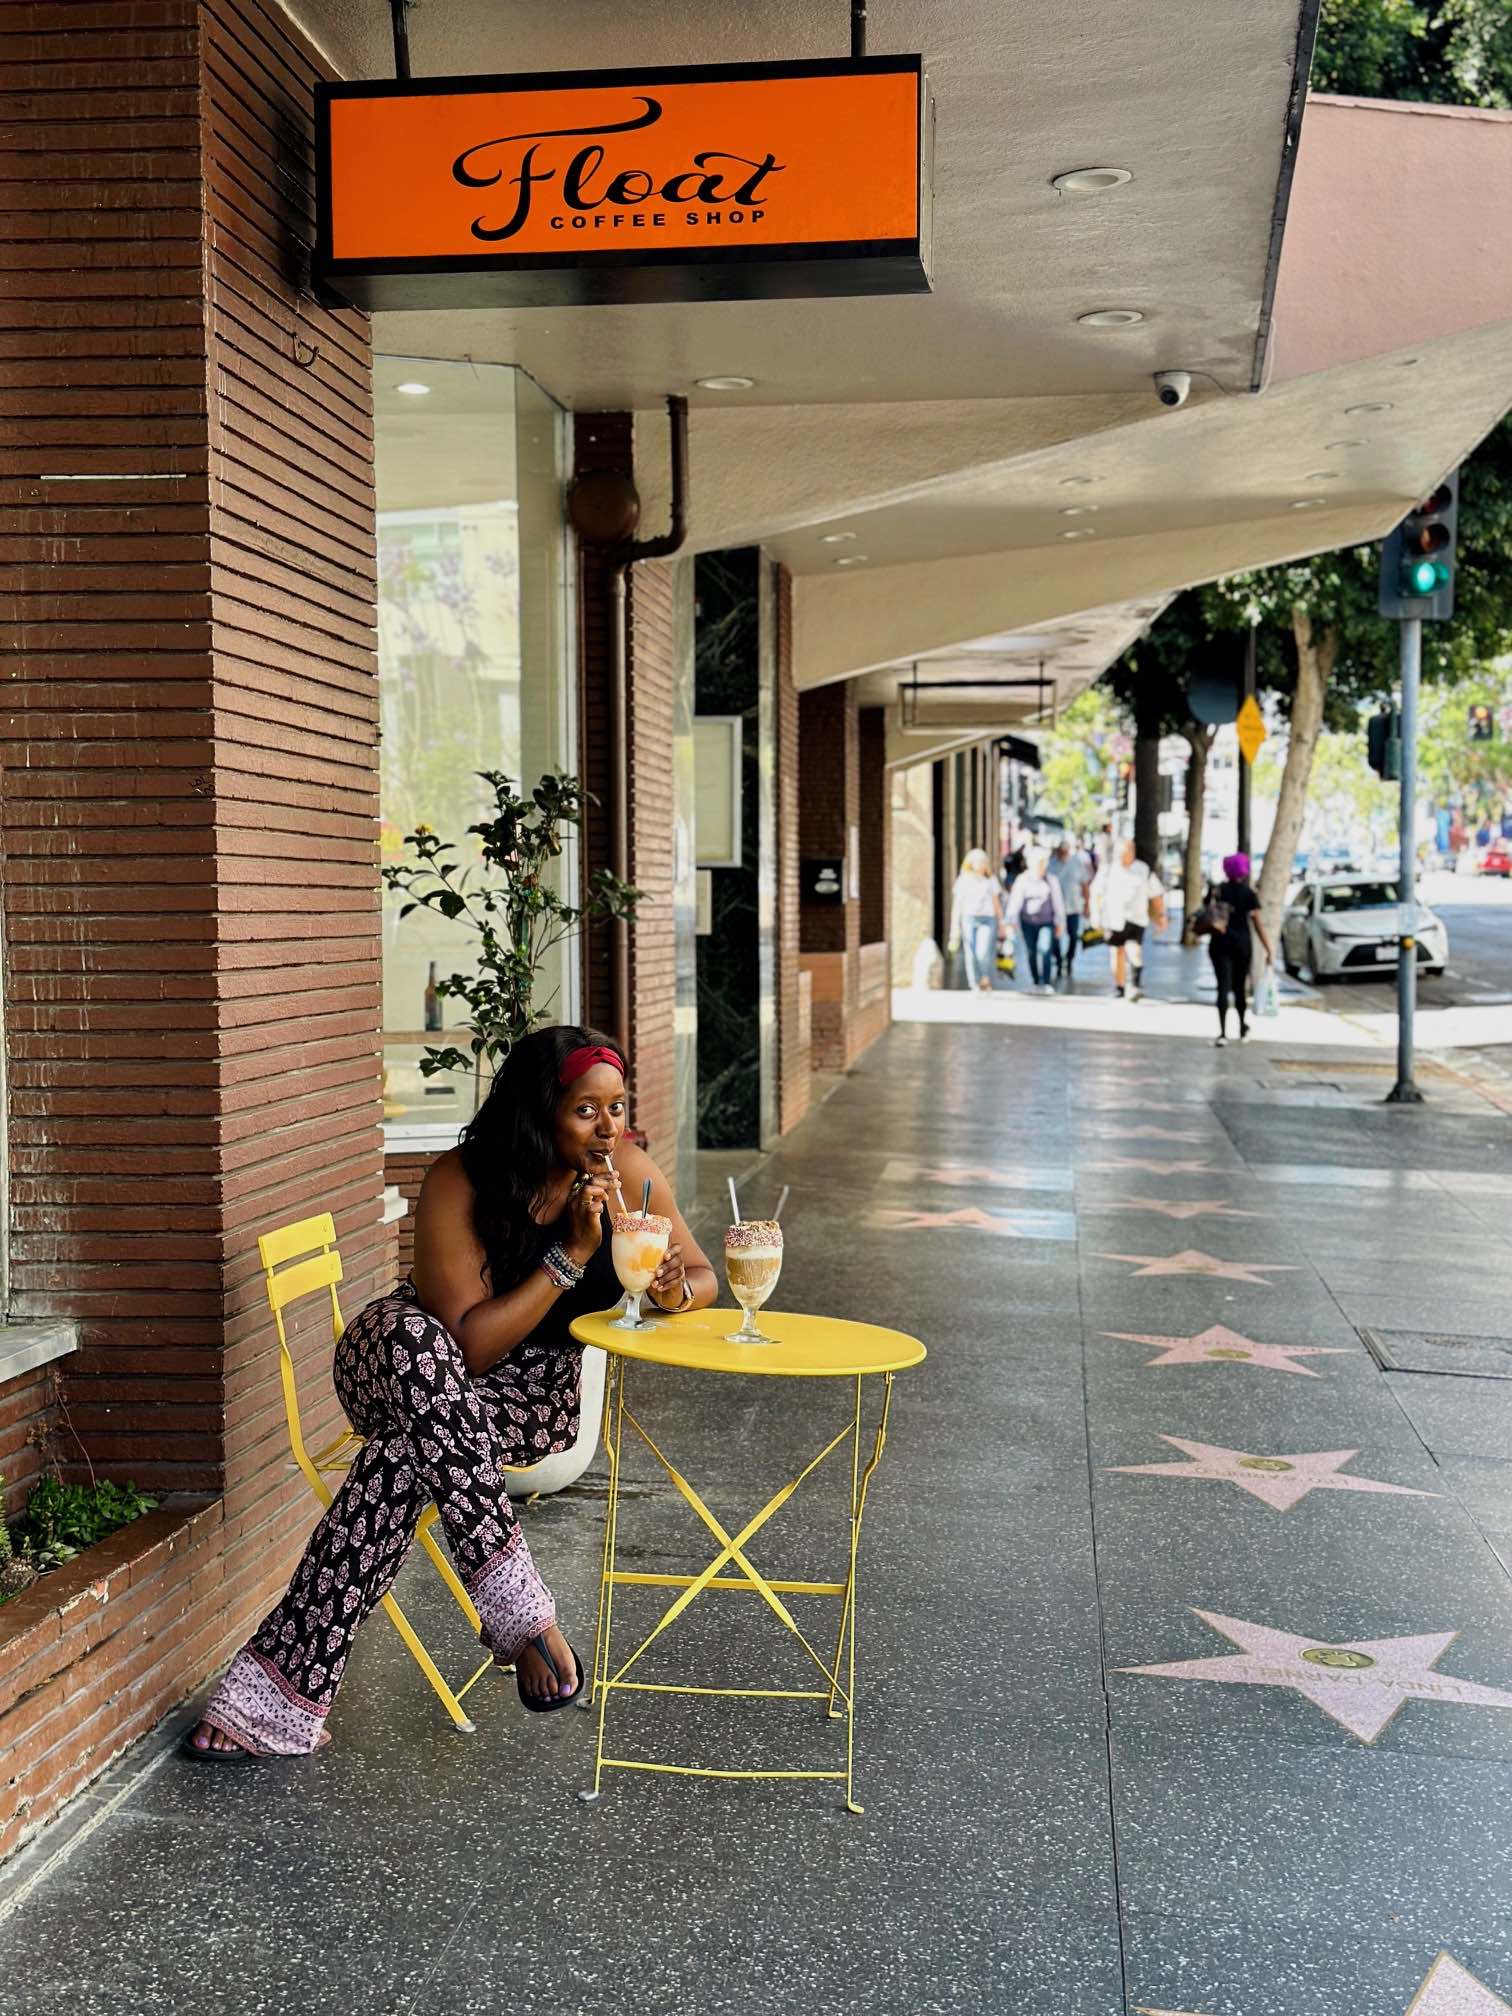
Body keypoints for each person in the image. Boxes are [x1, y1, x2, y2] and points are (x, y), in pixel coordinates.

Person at [182, 1028, 717, 1758]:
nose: (609, 1127)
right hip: (403, 1363)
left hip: (528, 1400)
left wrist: (675, 1290)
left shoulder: (630, 1174)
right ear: (540, 1110)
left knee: (402, 1463)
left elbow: (701, 1274)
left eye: (617, 1108)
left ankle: (280, 1692)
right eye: (587, 1110)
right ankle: (518, 1608)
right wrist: (571, 1257)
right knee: (419, 1345)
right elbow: (466, 1346)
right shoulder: (461, 1178)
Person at [1202, 852, 1272, 1045]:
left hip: (1219, 943)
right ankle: (1242, 1027)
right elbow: (1257, 922)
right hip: (1242, 944)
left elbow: (1205, 910)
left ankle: (1222, 1033)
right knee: (1240, 987)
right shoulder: (1248, 893)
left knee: (1222, 987)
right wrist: (1269, 948)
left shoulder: (1217, 890)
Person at [1089, 838, 1167, 1001]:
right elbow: (1096, 892)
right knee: (1117, 952)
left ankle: (1135, 985)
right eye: (1118, 852)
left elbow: (1156, 894)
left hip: (1136, 918)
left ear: (1132, 852)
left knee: (1134, 951)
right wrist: (1095, 914)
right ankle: (1120, 986)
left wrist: (1161, 915)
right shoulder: (1108, 869)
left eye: (1124, 852)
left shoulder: (1143, 869)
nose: (1120, 856)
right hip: (1113, 918)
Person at [1006, 847, 1067, 995]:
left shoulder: (1051, 880)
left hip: (1047, 922)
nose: (1042, 866)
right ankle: (1035, 980)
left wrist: (1061, 923)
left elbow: (1058, 904)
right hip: (1028, 923)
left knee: (1045, 949)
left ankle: (1045, 982)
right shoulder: (1022, 880)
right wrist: (1010, 922)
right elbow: (1014, 903)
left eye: (1044, 863)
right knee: (1031, 952)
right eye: (1040, 863)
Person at [949, 847, 1006, 993]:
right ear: (971, 863)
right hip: (968, 919)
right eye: (979, 862)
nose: (982, 865)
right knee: (971, 953)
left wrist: (1001, 923)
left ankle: (985, 977)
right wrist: (954, 929)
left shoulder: (990, 880)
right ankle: (974, 982)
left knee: (983, 951)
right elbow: (957, 906)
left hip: (987, 919)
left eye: (984, 862)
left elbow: (996, 903)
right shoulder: (963, 880)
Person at [1048, 837, 1092, 980]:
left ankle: (1069, 959)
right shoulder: (1051, 864)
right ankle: (1059, 961)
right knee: (1054, 938)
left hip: (1073, 907)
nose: (1062, 854)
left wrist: (1087, 904)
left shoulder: (1076, 863)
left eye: (1064, 851)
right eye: (1060, 851)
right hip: (1055, 909)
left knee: (1073, 936)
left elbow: (1085, 884)